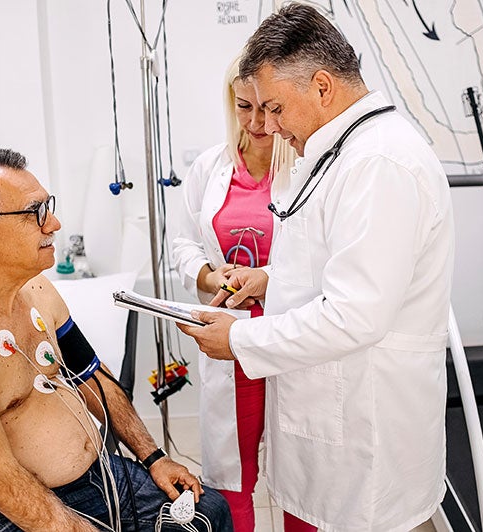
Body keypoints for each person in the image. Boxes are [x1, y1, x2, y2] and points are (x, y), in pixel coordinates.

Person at [178, 4, 455, 532]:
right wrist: (271, 280)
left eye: (277, 108)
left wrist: (240, 339)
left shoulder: (379, 162)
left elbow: (356, 314)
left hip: (360, 428)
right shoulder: (340, 151)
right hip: (325, 415)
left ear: (323, 87)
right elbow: (331, 268)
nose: (271, 127)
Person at [0, 148, 232, 531]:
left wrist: (154, 457)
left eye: (49, 206)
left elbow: (92, 374)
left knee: (210, 512)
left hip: (100, 478)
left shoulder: (37, 291)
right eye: (36, 213)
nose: (54, 223)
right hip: (8, 512)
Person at [172, 54, 294, 531]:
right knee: (231, 475)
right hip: (229, 337)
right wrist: (209, 275)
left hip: (290, 337)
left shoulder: (306, 168)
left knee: (300, 472)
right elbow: (181, 242)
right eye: (245, 107)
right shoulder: (210, 166)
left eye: (269, 107)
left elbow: (323, 260)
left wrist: (266, 276)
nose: (258, 122)